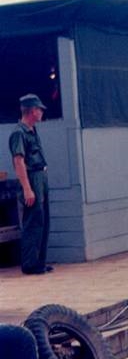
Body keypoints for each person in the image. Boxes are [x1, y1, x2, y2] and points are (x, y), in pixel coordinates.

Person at [8, 94, 52, 274]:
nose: (41, 112)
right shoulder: (19, 133)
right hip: (31, 178)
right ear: (32, 110)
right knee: (33, 221)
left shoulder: (32, 130)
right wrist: (27, 189)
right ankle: (29, 264)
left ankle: (39, 262)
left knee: (43, 221)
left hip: (40, 176)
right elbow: (18, 161)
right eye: (39, 109)